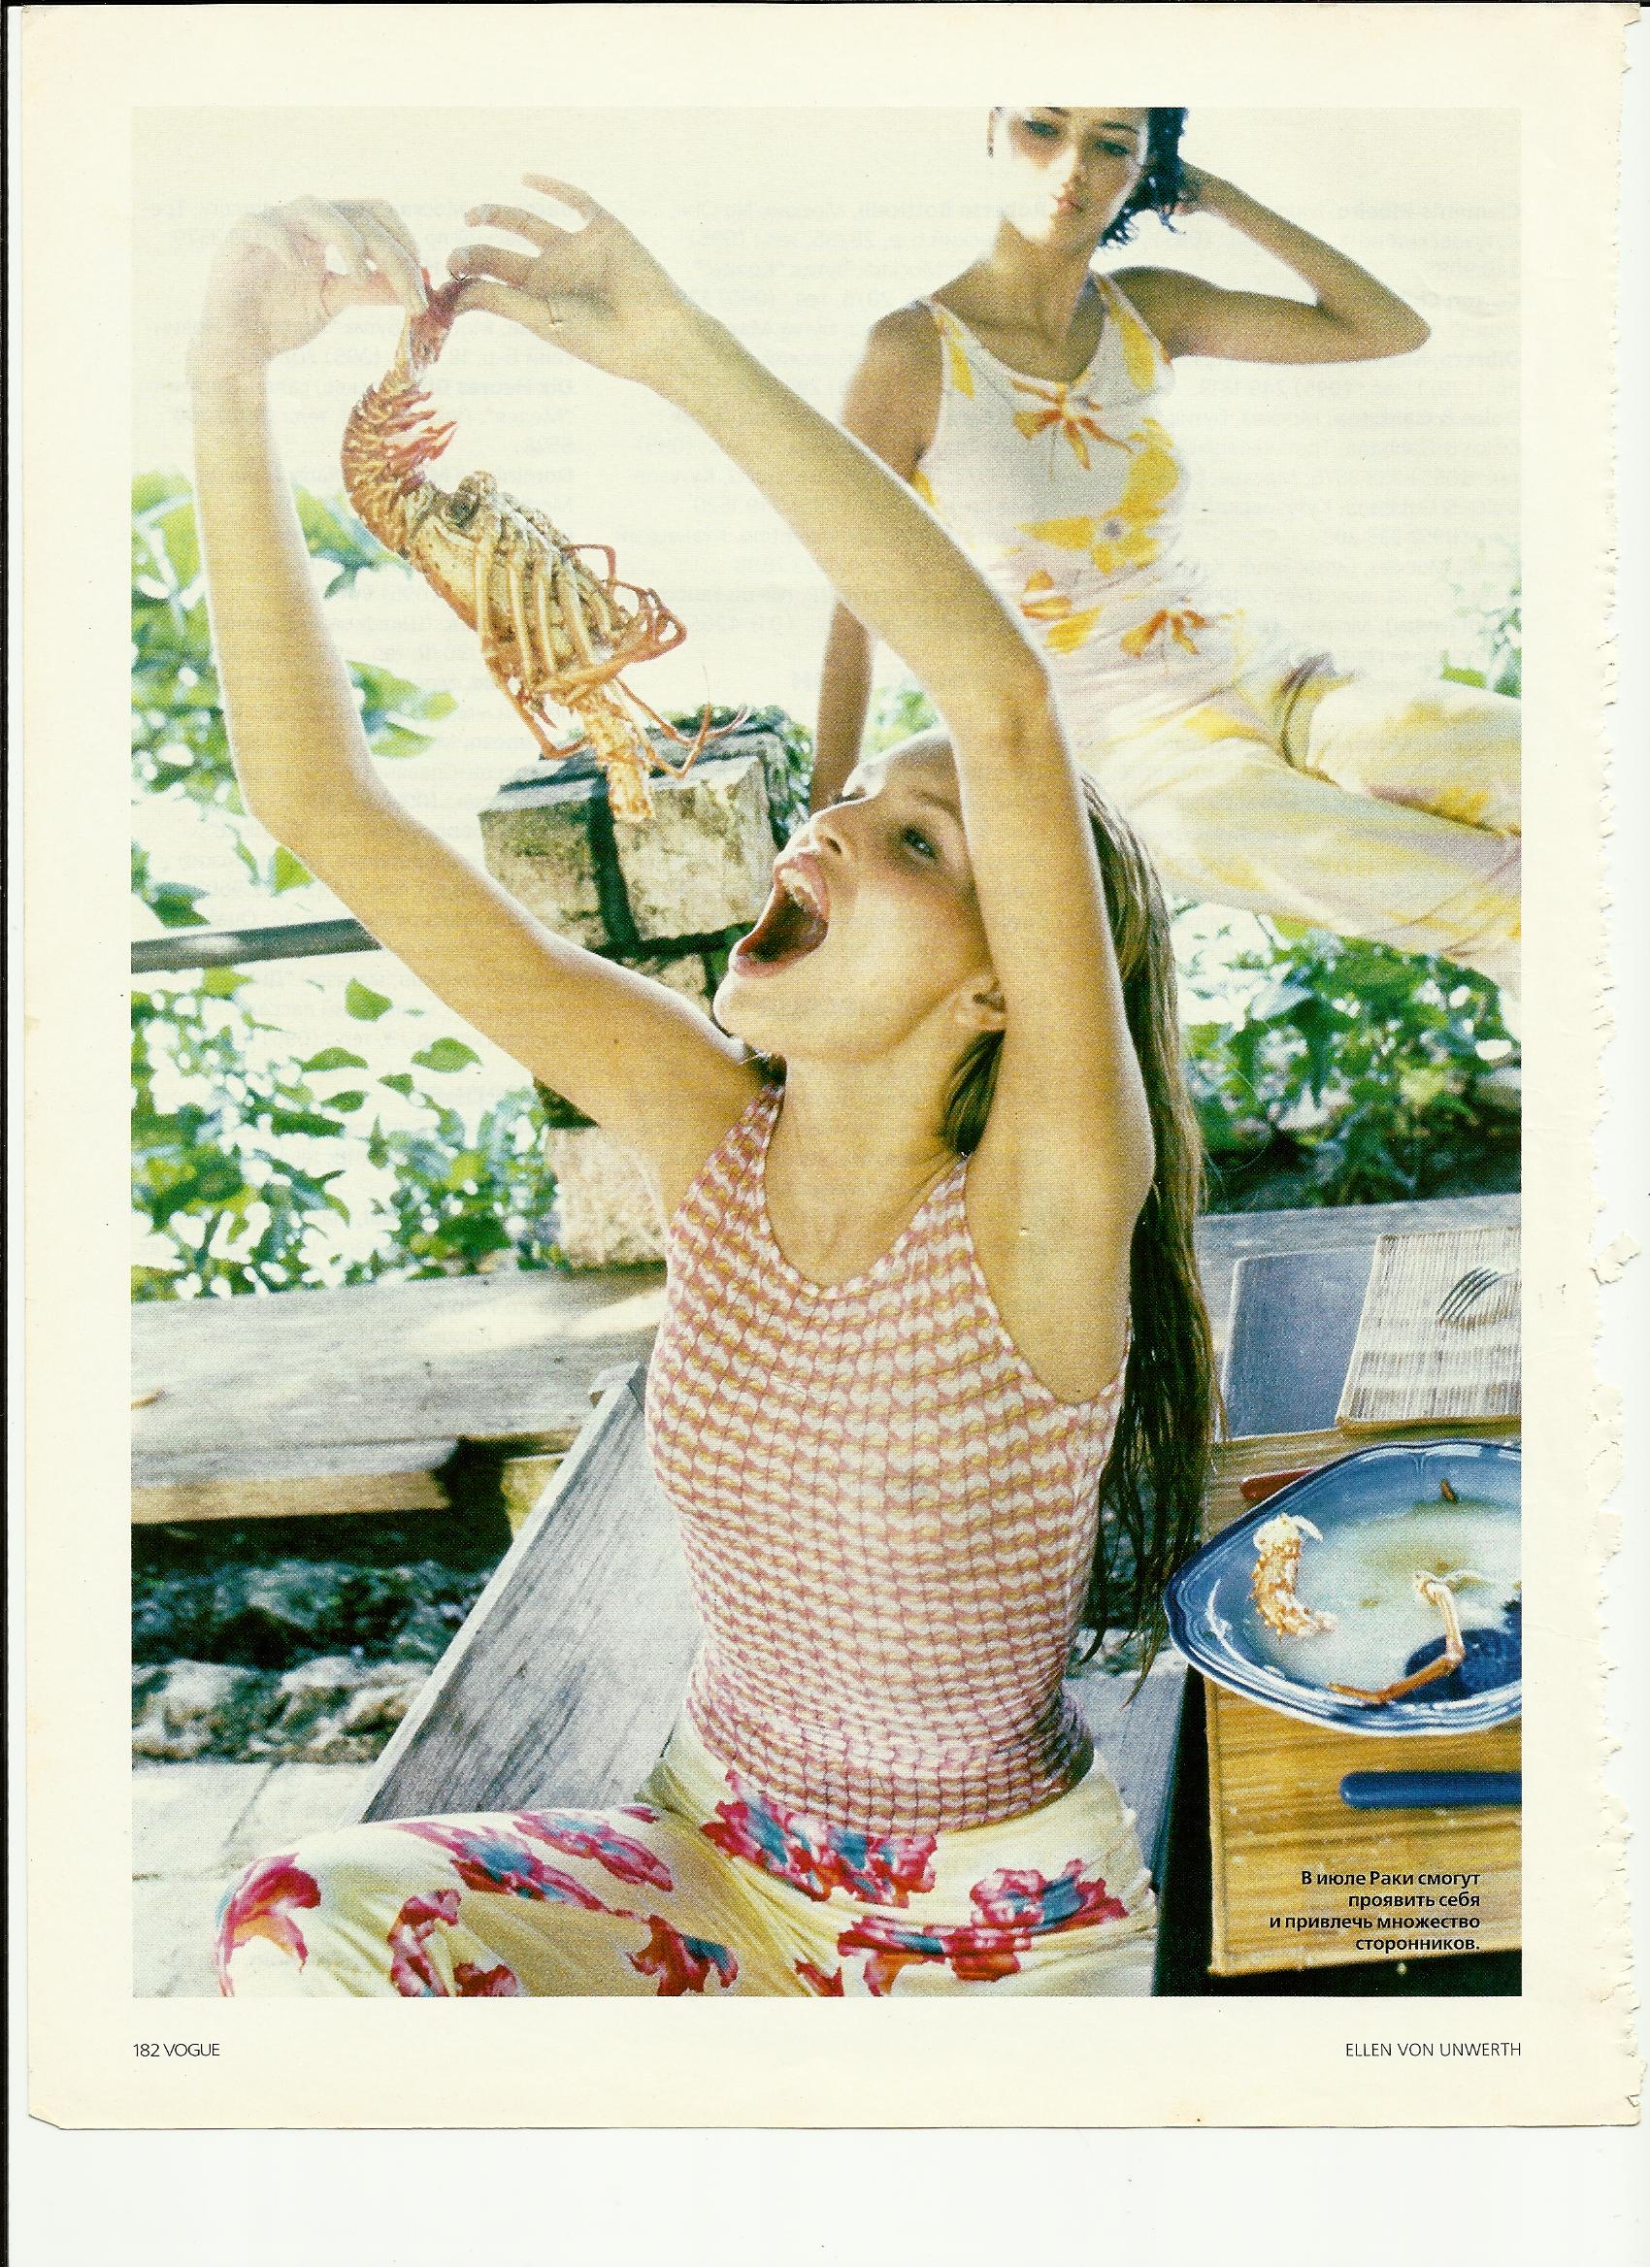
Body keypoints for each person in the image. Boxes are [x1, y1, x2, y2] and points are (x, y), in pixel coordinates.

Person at [194, 178, 1213, 1999]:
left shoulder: (1046, 1207)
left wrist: (672, 347)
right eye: (852, 800)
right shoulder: (705, 1130)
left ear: (1005, 988)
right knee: (299, 1924)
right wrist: (225, 369)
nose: (832, 822)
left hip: (987, 1943)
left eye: (919, 840)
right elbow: (320, 805)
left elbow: (999, 699)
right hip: (708, 1855)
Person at [813, 108, 1521, 1012]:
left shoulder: (1144, 309)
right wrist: (823, 810)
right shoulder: (910, 354)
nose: (1073, 166)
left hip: (1281, 682)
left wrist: (1220, 198)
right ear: (993, 127)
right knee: (1503, 901)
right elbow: (854, 606)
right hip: (1137, 757)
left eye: (1113, 144)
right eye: (1042, 128)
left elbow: (1387, 327)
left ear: (1148, 166)